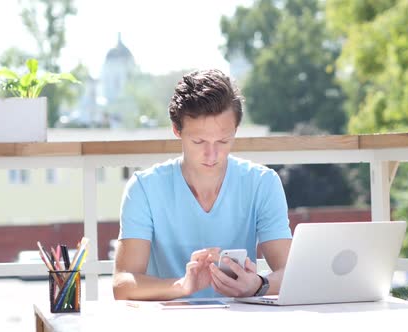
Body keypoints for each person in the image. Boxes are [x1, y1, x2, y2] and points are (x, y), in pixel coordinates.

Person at [113, 69, 292, 300]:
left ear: (235, 131)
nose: (212, 154)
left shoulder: (262, 183)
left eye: (223, 141)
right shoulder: (144, 188)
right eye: (198, 141)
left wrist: (259, 285)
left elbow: (290, 272)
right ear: (177, 130)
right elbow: (123, 282)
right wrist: (182, 286)